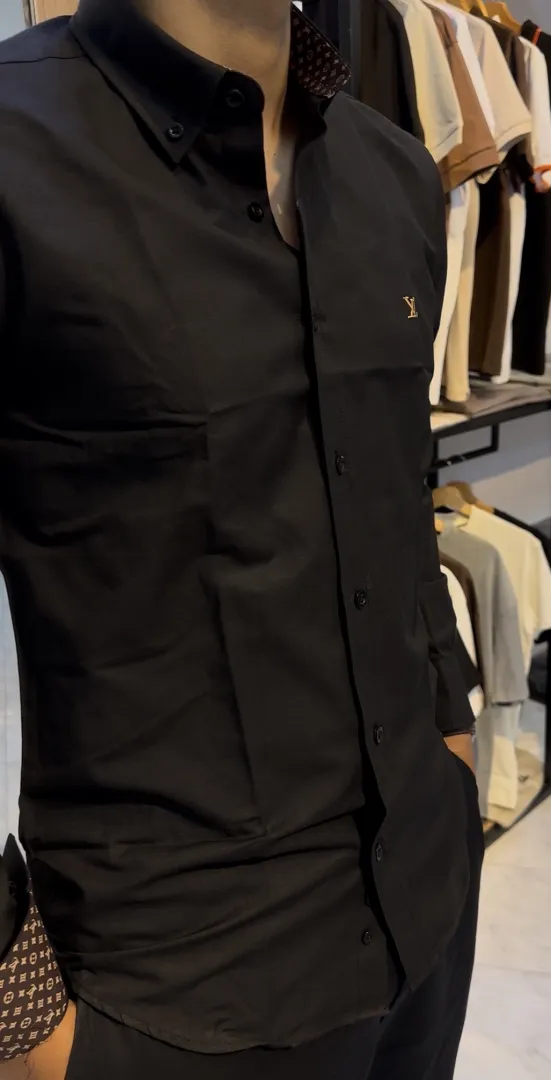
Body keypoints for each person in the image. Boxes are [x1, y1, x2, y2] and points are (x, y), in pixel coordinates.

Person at [0, 2, 483, 1077]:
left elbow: (398, 496)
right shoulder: (17, 151)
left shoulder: (392, 171)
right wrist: (19, 1018)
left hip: (424, 915)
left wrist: (450, 738)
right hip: (171, 999)